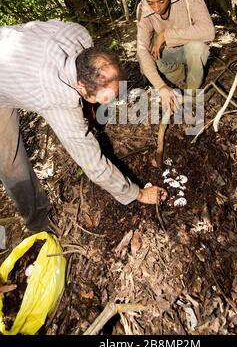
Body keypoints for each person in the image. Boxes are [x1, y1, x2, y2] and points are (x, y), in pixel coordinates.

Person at [0, 20, 166, 233]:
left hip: (10, 50)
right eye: (103, 99)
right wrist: (138, 194)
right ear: (81, 87)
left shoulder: (78, 34)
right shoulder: (54, 95)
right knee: (10, 161)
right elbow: (94, 165)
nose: (109, 104)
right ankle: (38, 222)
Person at [136, 0, 215, 111]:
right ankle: (178, 78)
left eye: (161, 1)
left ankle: (192, 93)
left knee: (198, 48)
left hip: (190, 49)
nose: (157, 8)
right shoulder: (142, 8)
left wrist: (166, 34)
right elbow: (141, 49)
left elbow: (208, 31)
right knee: (147, 61)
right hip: (169, 53)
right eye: (151, 3)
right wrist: (161, 87)